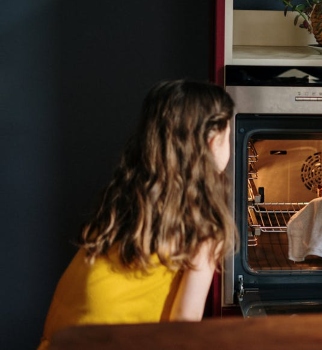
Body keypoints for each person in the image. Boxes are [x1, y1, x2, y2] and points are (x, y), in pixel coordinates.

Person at [39, 80, 237, 349]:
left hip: (64, 340)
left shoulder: (127, 195)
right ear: (213, 142)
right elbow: (184, 323)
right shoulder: (204, 225)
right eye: (229, 135)